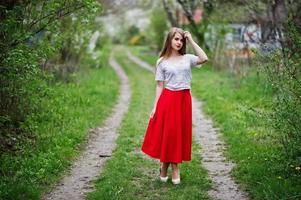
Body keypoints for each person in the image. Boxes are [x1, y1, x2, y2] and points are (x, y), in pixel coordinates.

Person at [141, 27, 208, 185]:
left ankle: (167, 165)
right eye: (176, 39)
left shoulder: (187, 58)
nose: (179, 42)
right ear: (169, 40)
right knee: (169, 133)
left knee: (179, 134)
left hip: (184, 99)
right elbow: (159, 86)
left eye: (181, 40)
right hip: (168, 99)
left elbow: (204, 58)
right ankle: (171, 166)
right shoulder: (161, 62)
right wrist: (155, 107)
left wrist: (191, 40)